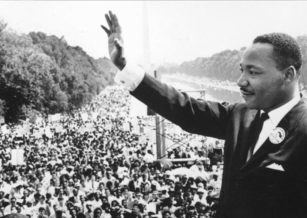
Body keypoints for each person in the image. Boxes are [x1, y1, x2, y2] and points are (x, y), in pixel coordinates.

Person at [101, 11, 307, 218]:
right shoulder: (240, 115)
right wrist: (123, 65)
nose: (241, 81)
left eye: (253, 72)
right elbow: (183, 109)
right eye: (241, 70)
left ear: (288, 75)